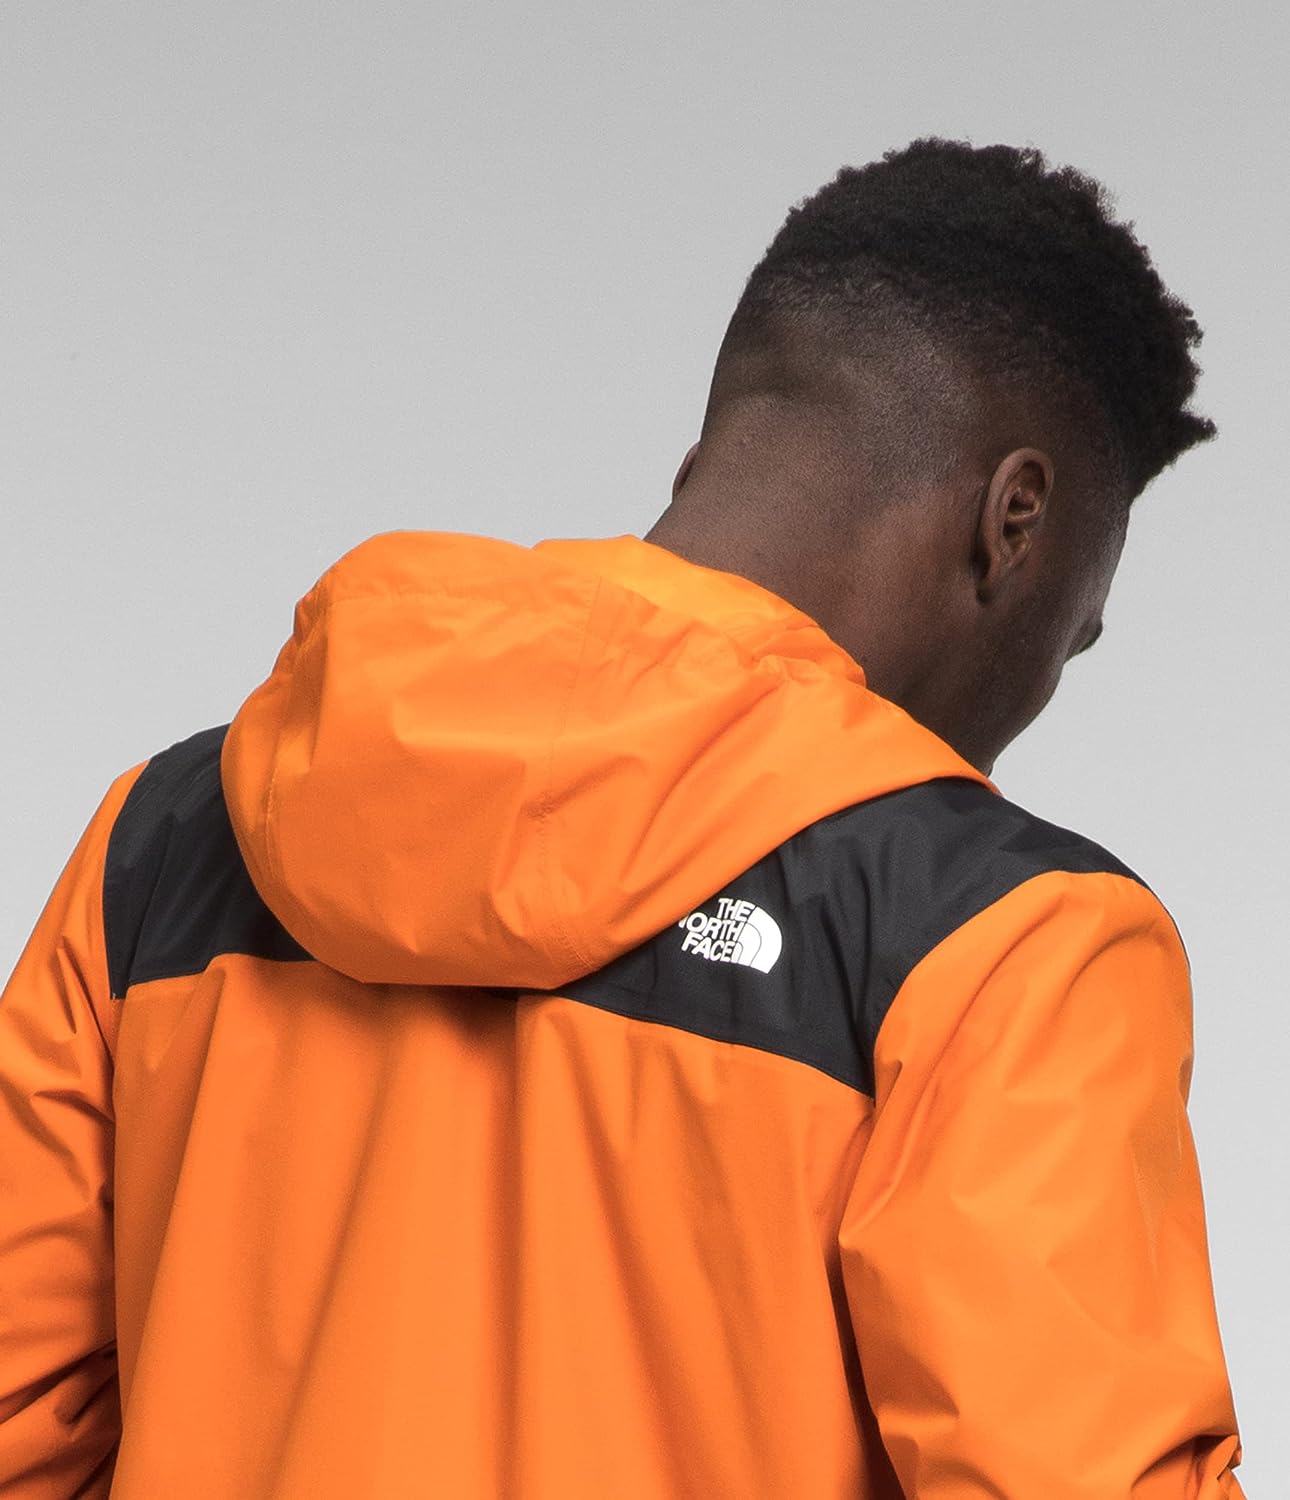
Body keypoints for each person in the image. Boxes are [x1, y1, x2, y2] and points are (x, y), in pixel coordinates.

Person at [0, 138, 1246, 1497]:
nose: (1045, 686)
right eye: (1075, 633)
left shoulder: (160, 847)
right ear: (1013, 522)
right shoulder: (1006, 945)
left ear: (710, 455)